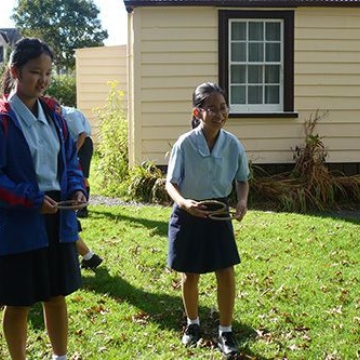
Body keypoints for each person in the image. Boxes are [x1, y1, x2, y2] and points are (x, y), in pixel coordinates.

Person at [0, 38, 86, 360]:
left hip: (57, 218)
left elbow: (70, 161)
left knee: (55, 295)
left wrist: (77, 189)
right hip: (21, 220)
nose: (43, 80)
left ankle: (60, 357)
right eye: (36, 72)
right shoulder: (4, 119)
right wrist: (30, 200)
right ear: (15, 71)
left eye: (48, 73)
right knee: (19, 300)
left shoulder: (54, 116)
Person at [165, 82, 249, 357]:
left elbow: (242, 179)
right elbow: (170, 183)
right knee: (190, 273)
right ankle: (193, 325)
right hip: (189, 212)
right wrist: (184, 203)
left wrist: (242, 200)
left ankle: (226, 330)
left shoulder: (233, 143)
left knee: (225, 270)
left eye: (223, 107)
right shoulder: (185, 143)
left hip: (218, 212)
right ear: (197, 112)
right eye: (211, 108)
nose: (219, 113)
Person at [60, 105, 93, 218]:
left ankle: (83, 208)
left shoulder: (70, 115)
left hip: (83, 144)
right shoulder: (60, 115)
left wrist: (73, 153)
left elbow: (82, 135)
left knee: (82, 175)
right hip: (73, 144)